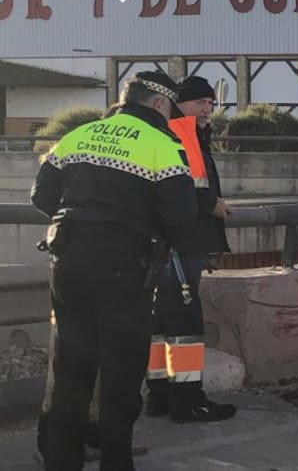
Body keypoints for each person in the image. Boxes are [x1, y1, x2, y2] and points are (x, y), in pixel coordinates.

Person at [31, 71, 199, 471]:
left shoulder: (79, 135)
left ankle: (61, 461)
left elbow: (42, 195)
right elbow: (181, 218)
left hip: (69, 264)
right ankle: (116, 461)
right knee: (121, 374)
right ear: (159, 104)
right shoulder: (161, 146)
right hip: (126, 269)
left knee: (71, 368)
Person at [145, 75, 237, 423]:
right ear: (178, 102)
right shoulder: (181, 131)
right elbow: (184, 187)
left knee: (159, 321)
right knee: (184, 322)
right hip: (182, 243)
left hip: (164, 242)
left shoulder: (182, 130)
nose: (208, 110)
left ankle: (160, 395)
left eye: (211, 104)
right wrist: (210, 203)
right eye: (201, 102)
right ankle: (187, 400)